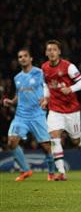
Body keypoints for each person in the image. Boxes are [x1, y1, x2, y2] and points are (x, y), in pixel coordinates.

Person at [41, 40, 81, 181]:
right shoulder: (44, 68)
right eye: (49, 50)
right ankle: (61, 173)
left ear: (59, 52)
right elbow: (45, 84)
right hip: (55, 109)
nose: (52, 52)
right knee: (54, 137)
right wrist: (46, 98)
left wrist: (70, 89)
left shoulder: (68, 67)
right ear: (46, 52)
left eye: (54, 49)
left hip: (71, 110)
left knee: (76, 141)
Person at [3, 48, 56, 181]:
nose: (23, 59)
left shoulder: (39, 73)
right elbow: (19, 94)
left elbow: (49, 87)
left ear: (31, 58)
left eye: (25, 56)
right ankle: (26, 170)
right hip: (21, 116)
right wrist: (11, 101)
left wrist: (46, 98)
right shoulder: (17, 78)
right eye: (20, 57)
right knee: (11, 142)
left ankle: (51, 172)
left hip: (38, 115)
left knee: (46, 147)